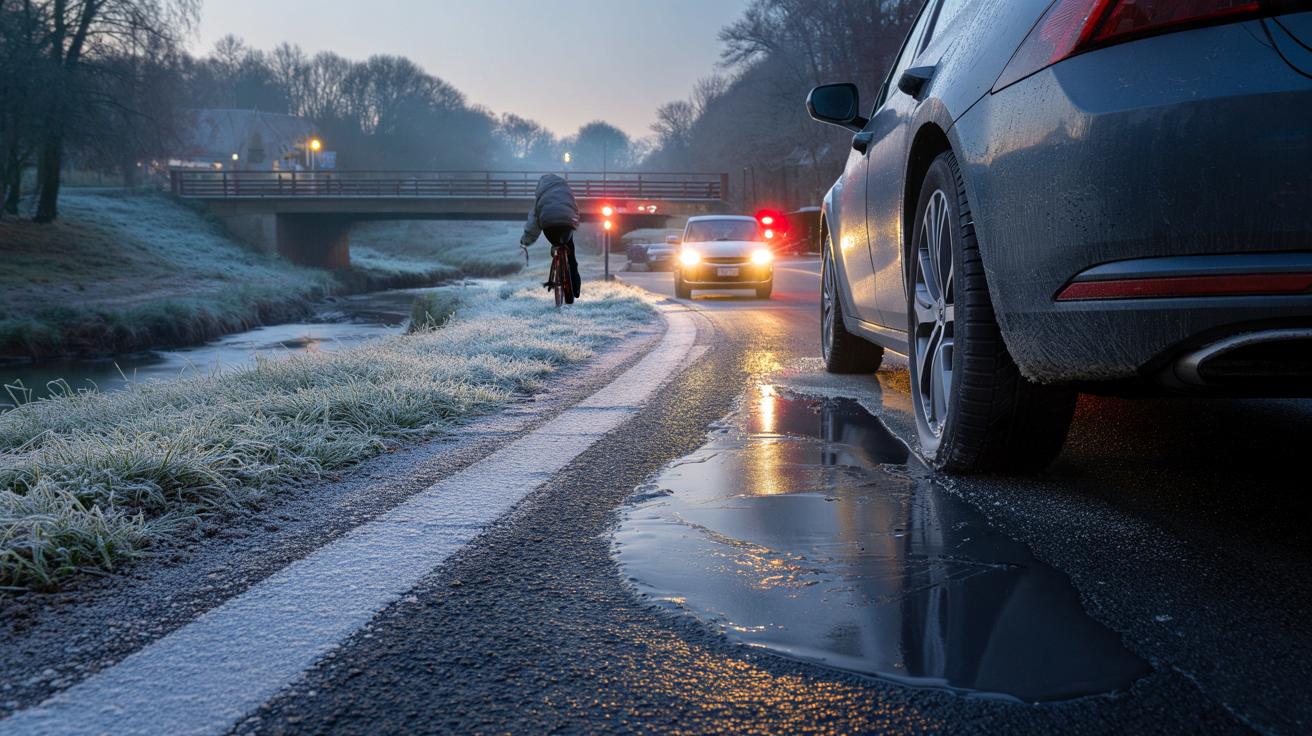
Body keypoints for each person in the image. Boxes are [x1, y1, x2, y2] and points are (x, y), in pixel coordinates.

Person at [520, 173, 582, 300]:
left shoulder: (541, 196)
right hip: (567, 224)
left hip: (549, 225)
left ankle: (556, 270)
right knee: (570, 250)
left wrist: (526, 241)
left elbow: (534, 223)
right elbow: (575, 210)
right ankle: (575, 287)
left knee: (555, 242)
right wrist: (573, 225)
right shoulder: (567, 191)